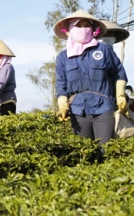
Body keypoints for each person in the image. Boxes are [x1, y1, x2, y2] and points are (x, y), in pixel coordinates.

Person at [54, 9, 128, 147]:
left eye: (86, 26)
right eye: (78, 26)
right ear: (69, 30)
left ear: (93, 29)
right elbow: (61, 84)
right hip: (78, 110)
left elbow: (119, 73)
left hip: (104, 107)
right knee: (85, 151)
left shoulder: (104, 50)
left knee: (105, 149)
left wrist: (120, 96)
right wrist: (63, 106)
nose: (83, 29)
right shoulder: (63, 58)